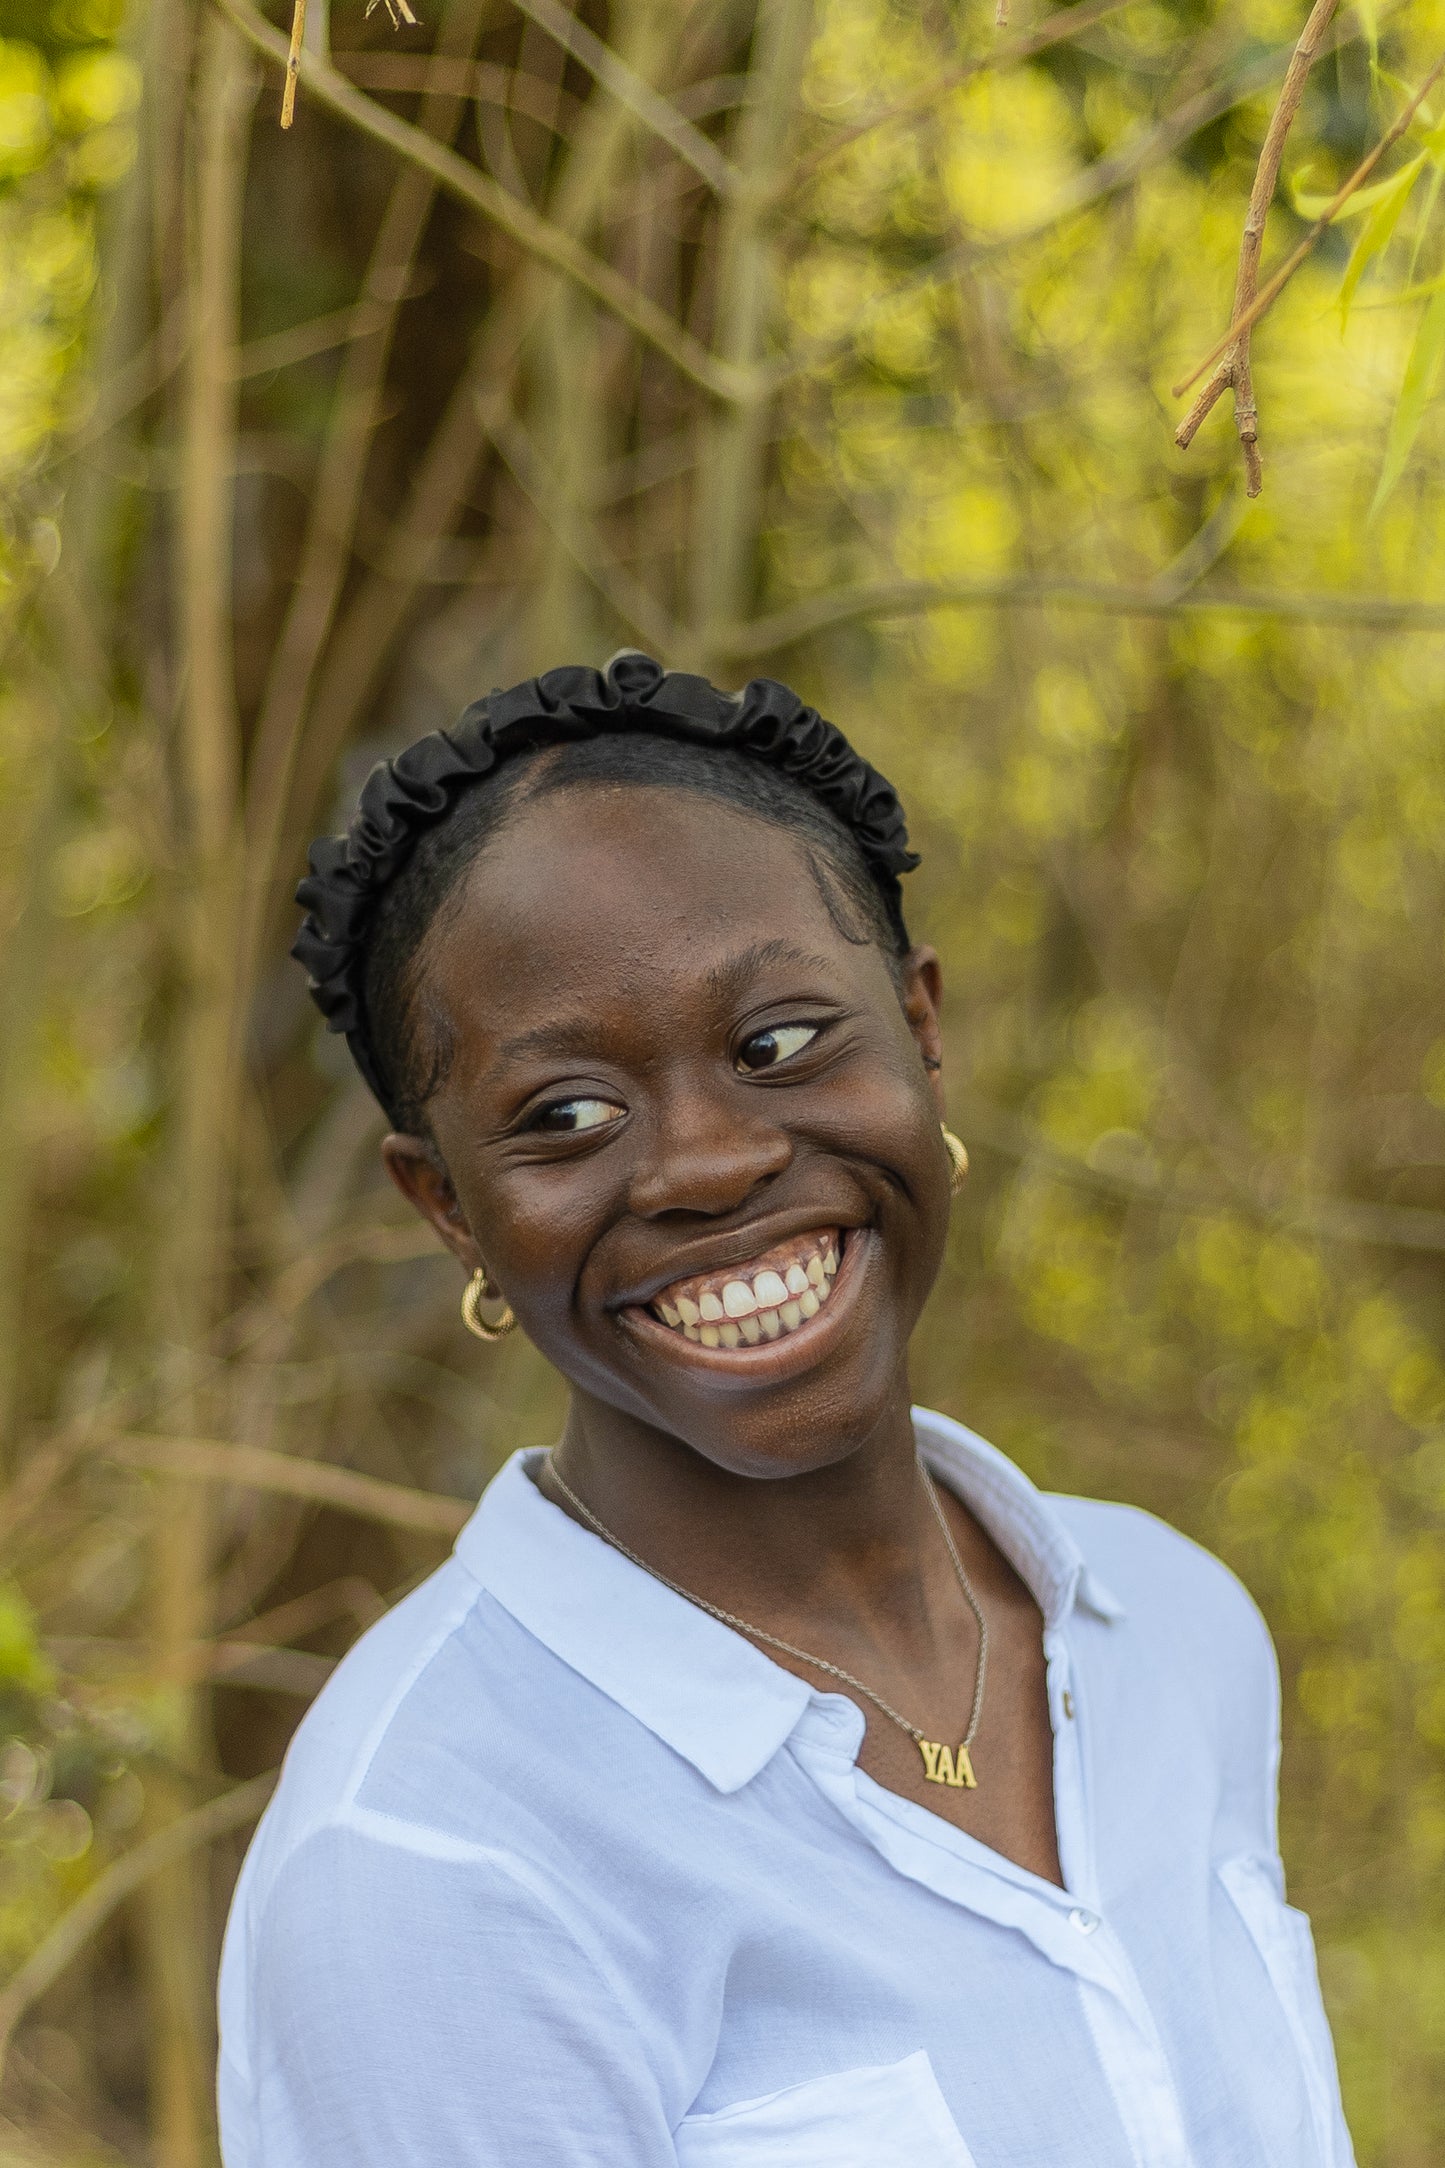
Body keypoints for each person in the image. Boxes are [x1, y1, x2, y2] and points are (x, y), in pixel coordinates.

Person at [217, 652, 1354, 2168]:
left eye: (775, 1044)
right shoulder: (428, 1857)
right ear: (446, 1207)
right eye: (566, 1118)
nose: (704, 1163)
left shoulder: (1169, 1624)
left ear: (919, 1026)